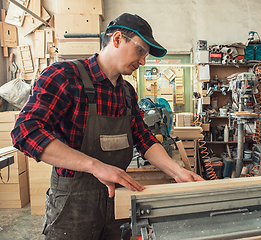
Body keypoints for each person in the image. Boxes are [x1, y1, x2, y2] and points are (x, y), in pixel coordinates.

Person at [11, 13, 204, 240]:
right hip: (73, 205)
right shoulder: (64, 75)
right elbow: (25, 131)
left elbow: (143, 138)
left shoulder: (126, 92)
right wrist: (95, 166)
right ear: (117, 39)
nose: (143, 61)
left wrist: (177, 171)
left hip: (116, 201)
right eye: (140, 51)